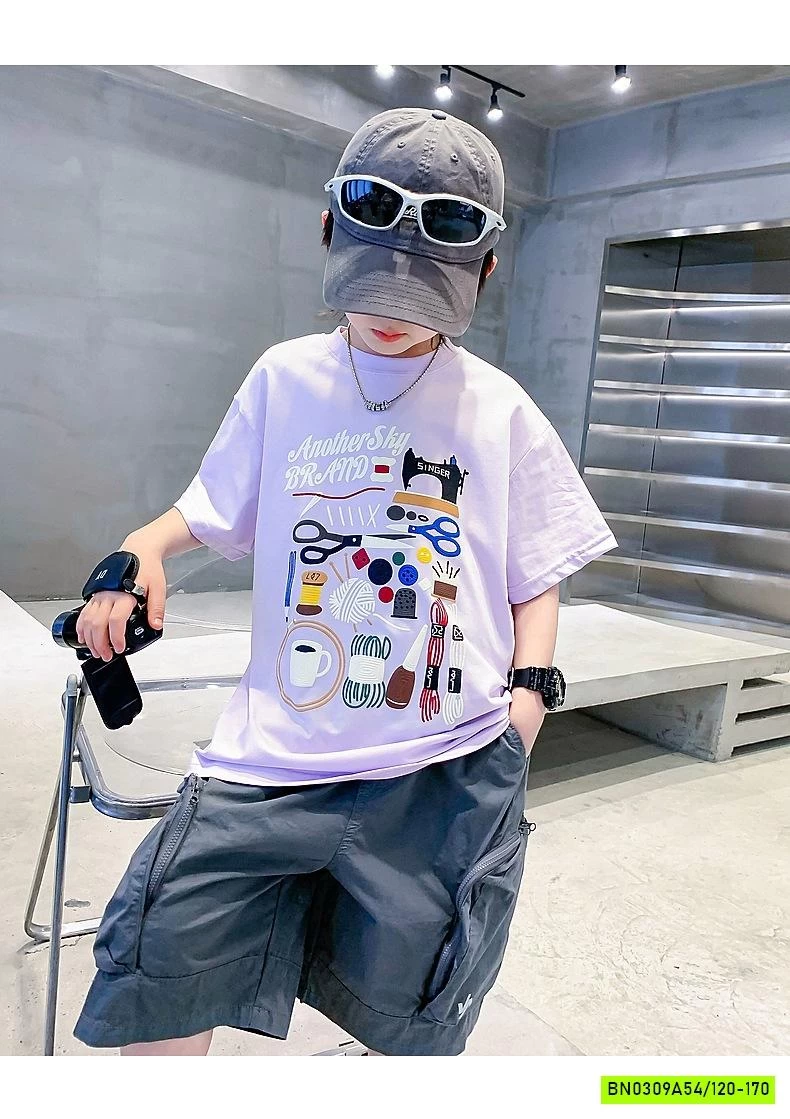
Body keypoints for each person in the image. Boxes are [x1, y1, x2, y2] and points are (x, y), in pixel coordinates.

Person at [72, 107, 618, 1057]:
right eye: (373, 288)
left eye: (425, 297)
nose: (392, 314)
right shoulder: (284, 378)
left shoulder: (500, 407)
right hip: (271, 759)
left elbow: (536, 569)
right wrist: (141, 547)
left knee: (415, 1014)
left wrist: (528, 700)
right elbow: (209, 508)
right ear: (329, 229)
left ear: (486, 270)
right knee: (158, 962)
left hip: (443, 765)